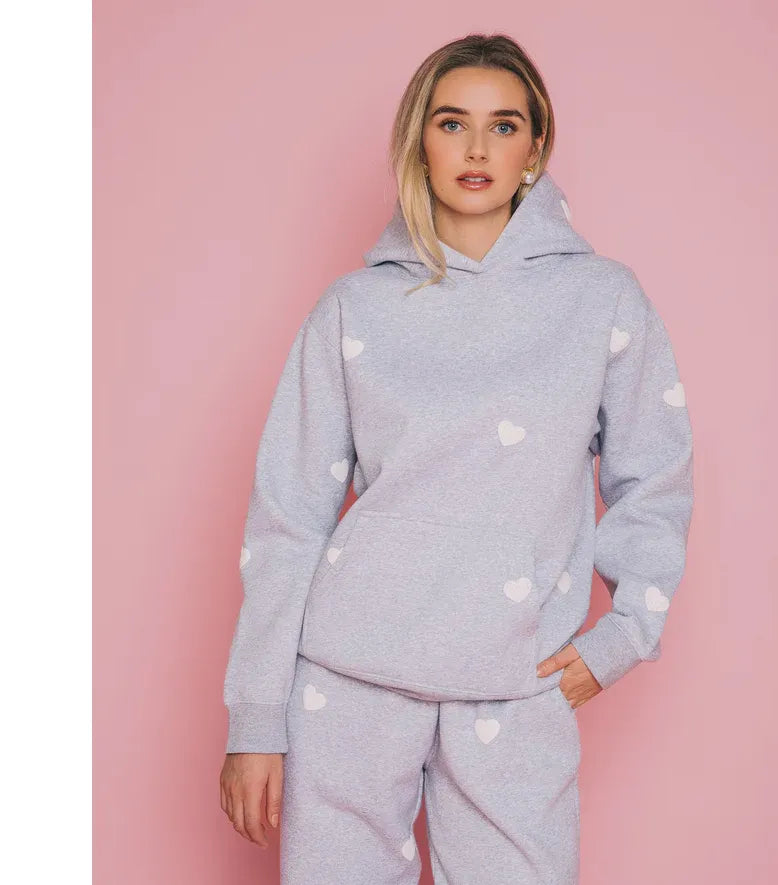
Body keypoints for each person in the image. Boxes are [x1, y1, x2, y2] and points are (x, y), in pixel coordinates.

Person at [219, 32, 694, 884]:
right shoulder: (353, 308)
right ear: (420, 142)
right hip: (348, 679)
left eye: (503, 125)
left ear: (534, 148)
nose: (477, 148)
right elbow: (287, 516)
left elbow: (653, 477)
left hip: (517, 681)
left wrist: (624, 636)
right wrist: (256, 718)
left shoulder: (601, 299)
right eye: (451, 123)